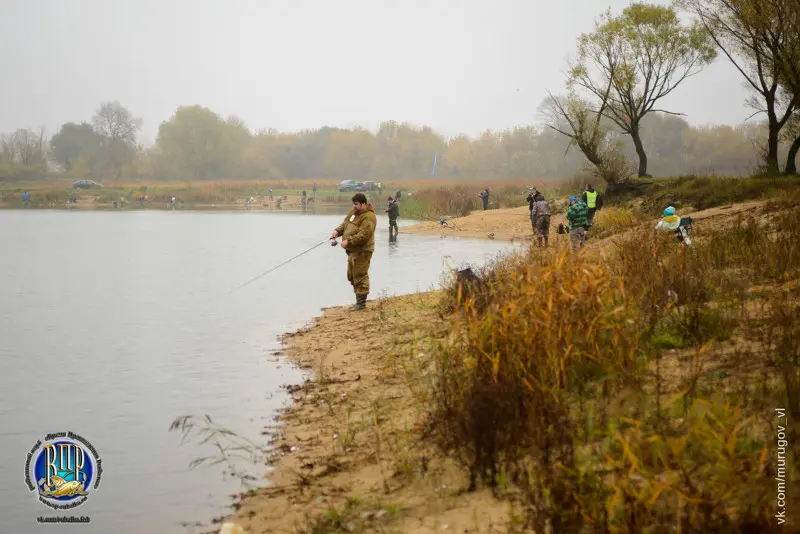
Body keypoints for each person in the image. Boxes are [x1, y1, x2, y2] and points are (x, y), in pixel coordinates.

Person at [331, 193, 377, 310]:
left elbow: (364, 235)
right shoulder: (353, 213)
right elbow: (345, 224)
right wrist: (337, 231)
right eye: (353, 204)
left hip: (363, 251)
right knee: (351, 276)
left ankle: (361, 304)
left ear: (364, 204)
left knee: (360, 275)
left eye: (356, 204)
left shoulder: (369, 217)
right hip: (352, 252)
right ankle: (358, 301)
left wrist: (348, 241)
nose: (354, 206)